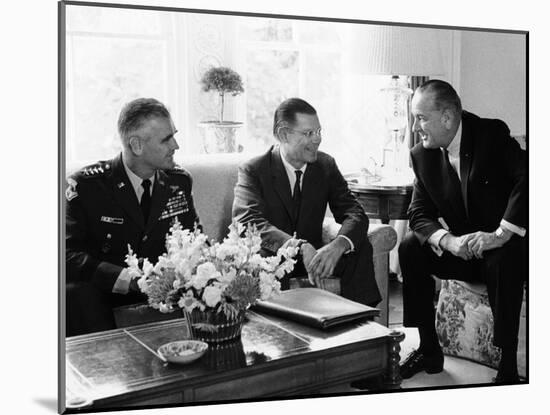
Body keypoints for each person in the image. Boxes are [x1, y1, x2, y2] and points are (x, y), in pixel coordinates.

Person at [399, 80, 526, 383]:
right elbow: (418, 213)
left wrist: (502, 234)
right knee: (409, 248)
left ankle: (507, 362)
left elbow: (530, 175)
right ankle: (428, 349)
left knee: (503, 257)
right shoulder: (422, 155)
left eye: (420, 117)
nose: (416, 127)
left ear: (446, 117)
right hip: (465, 252)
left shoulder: (491, 134)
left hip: (506, 249)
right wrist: (450, 241)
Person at [65, 98, 201, 336]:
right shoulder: (88, 187)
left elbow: (193, 238)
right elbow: (66, 255)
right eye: (166, 139)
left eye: (174, 135)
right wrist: (127, 280)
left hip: (169, 293)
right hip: (104, 297)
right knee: (75, 293)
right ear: (136, 145)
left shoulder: (178, 181)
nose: (176, 145)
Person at [232, 97, 381, 307]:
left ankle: (363, 325)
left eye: (318, 132)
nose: (317, 140)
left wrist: (338, 245)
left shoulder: (325, 165)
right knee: (262, 256)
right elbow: (247, 220)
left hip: (316, 259)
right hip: (276, 258)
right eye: (308, 133)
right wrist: (297, 246)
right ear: (283, 134)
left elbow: (354, 212)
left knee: (358, 245)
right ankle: (283, 332)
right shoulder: (254, 170)